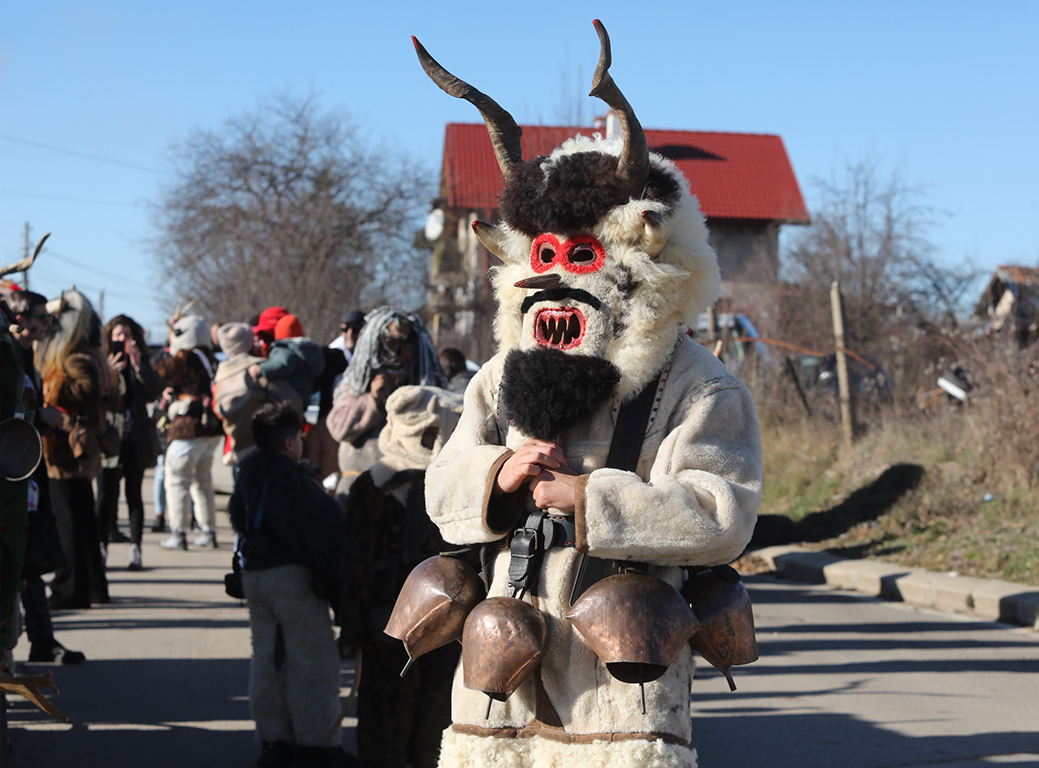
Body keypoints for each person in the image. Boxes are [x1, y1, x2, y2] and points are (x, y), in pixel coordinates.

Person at [415, 25, 761, 768]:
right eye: (543, 256)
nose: (556, 281)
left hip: (621, 684)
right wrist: (497, 478)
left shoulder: (699, 383)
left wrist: (587, 497)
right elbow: (441, 486)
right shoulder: (497, 374)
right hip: (498, 678)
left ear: (641, 251)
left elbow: (722, 513)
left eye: (579, 256)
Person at [339, 386, 465, 768]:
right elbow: (356, 564)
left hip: (411, 626)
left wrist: (352, 625)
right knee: (407, 719)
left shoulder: (376, 483)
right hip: (416, 626)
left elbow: (354, 566)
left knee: (413, 719)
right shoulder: (446, 483)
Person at [228, 403, 350, 768]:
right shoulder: (293, 485)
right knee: (312, 661)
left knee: (267, 659)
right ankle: (316, 745)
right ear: (288, 442)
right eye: (299, 437)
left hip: (255, 577)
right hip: (291, 580)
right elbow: (323, 538)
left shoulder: (248, 477)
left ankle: (274, 741)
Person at [6, 290, 86, 662]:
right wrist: (41, 418)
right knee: (20, 557)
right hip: (10, 471)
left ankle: (41, 639)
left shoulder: (25, 355)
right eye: (41, 316)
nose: (48, 322)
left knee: (29, 555)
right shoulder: (9, 352)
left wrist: (44, 418)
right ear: (20, 319)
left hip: (25, 470)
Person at [35, 288, 112, 610]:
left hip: (64, 450)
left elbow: (88, 391)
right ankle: (93, 587)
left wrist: (52, 390)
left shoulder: (75, 357)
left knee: (69, 523)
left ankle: (70, 589)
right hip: (69, 449)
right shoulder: (85, 353)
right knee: (81, 522)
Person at [326, 307, 445, 498]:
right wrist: (373, 400)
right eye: (388, 346)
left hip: (406, 495)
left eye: (402, 345)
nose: (394, 356)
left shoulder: (425, 391)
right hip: (358, 491)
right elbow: (338, 428)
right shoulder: (356, 386)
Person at [95, 315, 164, 570]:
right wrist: (109, 375)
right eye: (117, 336)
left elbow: (155, 391)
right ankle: (100, 547)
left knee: (134, 496)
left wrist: (138, 366)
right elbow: (96, 394)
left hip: (136, 439)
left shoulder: (142, 362)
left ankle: (136, 548)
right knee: (105, 496)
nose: (122, 341)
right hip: (109, 439)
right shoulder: (102, 363)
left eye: (126, 335)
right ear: (108, 339)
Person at [156, 315, 222, 550]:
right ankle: (208, 530)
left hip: (186, 430)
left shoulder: (184, 358)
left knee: (177, 481)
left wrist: (169, 343)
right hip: (211, 432)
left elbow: (157, 373)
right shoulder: (211, 359)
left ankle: (179, 532)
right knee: (202, 481)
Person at [213, 322, 301, 460]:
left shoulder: (220, 380)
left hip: (238, 451)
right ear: (250, 344)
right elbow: (294, 402)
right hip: (267, 451)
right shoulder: (258, 373)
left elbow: (218, 412)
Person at [247, 314, 324, 405]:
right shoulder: (308, 349)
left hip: (289, 398)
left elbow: (283, 364)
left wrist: (261, 369)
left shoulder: (284, 349)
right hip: (304, 396)